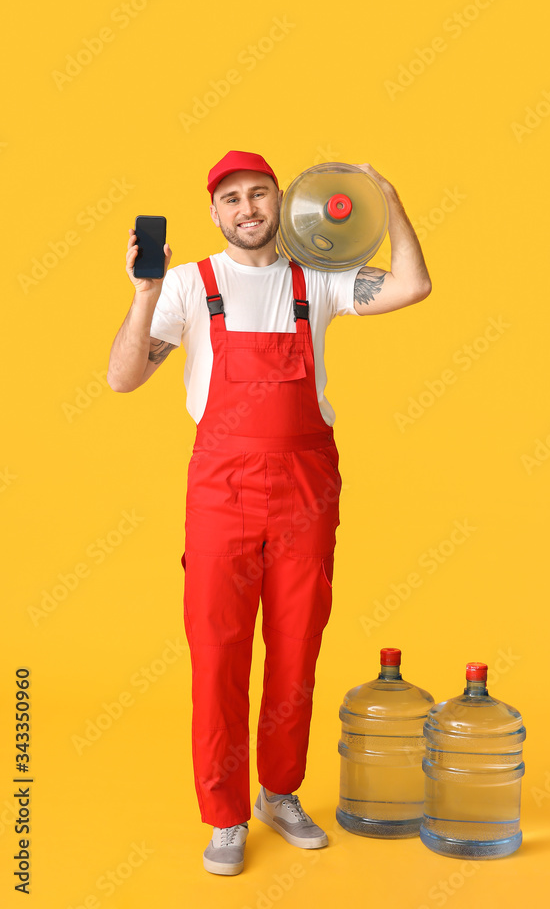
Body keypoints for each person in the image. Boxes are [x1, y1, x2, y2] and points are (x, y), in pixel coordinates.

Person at [107, 150, 431, 876]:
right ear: (214, 213)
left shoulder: (319, 276)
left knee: (295, 647)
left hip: (305, 489)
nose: (247, 208)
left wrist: (388, 200)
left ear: (283, 204)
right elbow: (123, 379)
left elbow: (414, 285)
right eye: (232, 199)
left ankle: (278, 793)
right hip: (220, 492)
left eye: (260, 194)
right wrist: (142, 293)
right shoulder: (189, 284)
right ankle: (224, 816)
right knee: (218, 654)